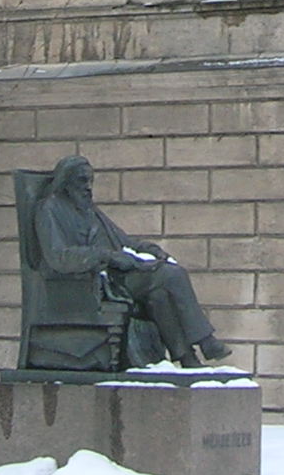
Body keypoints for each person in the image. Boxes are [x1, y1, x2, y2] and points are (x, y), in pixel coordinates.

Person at [33, 155, 231, 366]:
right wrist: (106, 256)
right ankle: (205, 340)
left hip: (116, 275)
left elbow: (124, 242)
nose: (88, 188)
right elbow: (58, 257)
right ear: (65, 183)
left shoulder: (91, 212)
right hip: (91, 284)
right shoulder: (49, 210)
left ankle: (186, 357)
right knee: (172, 274)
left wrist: (151, 249)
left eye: (91, 181)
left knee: (159, 295)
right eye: (82, 181)